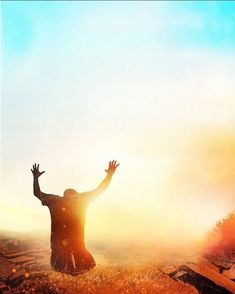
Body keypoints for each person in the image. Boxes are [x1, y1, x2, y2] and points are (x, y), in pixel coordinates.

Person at [31, 160, 119, 274]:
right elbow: (100, 189)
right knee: (79, 268)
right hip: (69, 249)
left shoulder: (59, 201)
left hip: (68, 248)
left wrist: (35, 178)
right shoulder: (79, 200)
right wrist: (109, 174)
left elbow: (37, 193)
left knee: (80, 269)